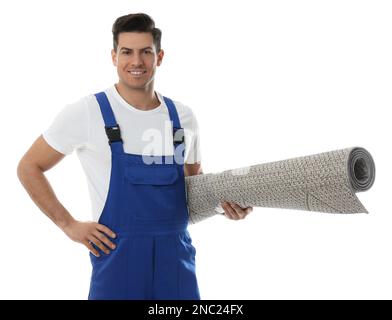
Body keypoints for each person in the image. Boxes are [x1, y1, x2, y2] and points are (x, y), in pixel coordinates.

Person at [17, 12, 253, 300]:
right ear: (114, 56)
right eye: (127, 52)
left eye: (146, 52)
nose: (136, 62)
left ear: (160, 56)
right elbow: (29, 166)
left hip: (176, 263)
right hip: (118, 262)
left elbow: (195, 187)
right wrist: (68, 225)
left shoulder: (183, 118)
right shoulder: (88, 112)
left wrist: (224, 207)